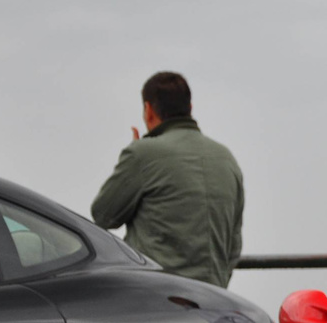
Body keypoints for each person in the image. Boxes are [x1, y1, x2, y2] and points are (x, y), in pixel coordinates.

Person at [90, 71, 244, 289]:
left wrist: (137, 153)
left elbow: (103, 215)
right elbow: (234, 245)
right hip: (213, 301)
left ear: (148, 110)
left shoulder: (143, 154)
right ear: (189, 109)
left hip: (156, 301)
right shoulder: (226, 158)